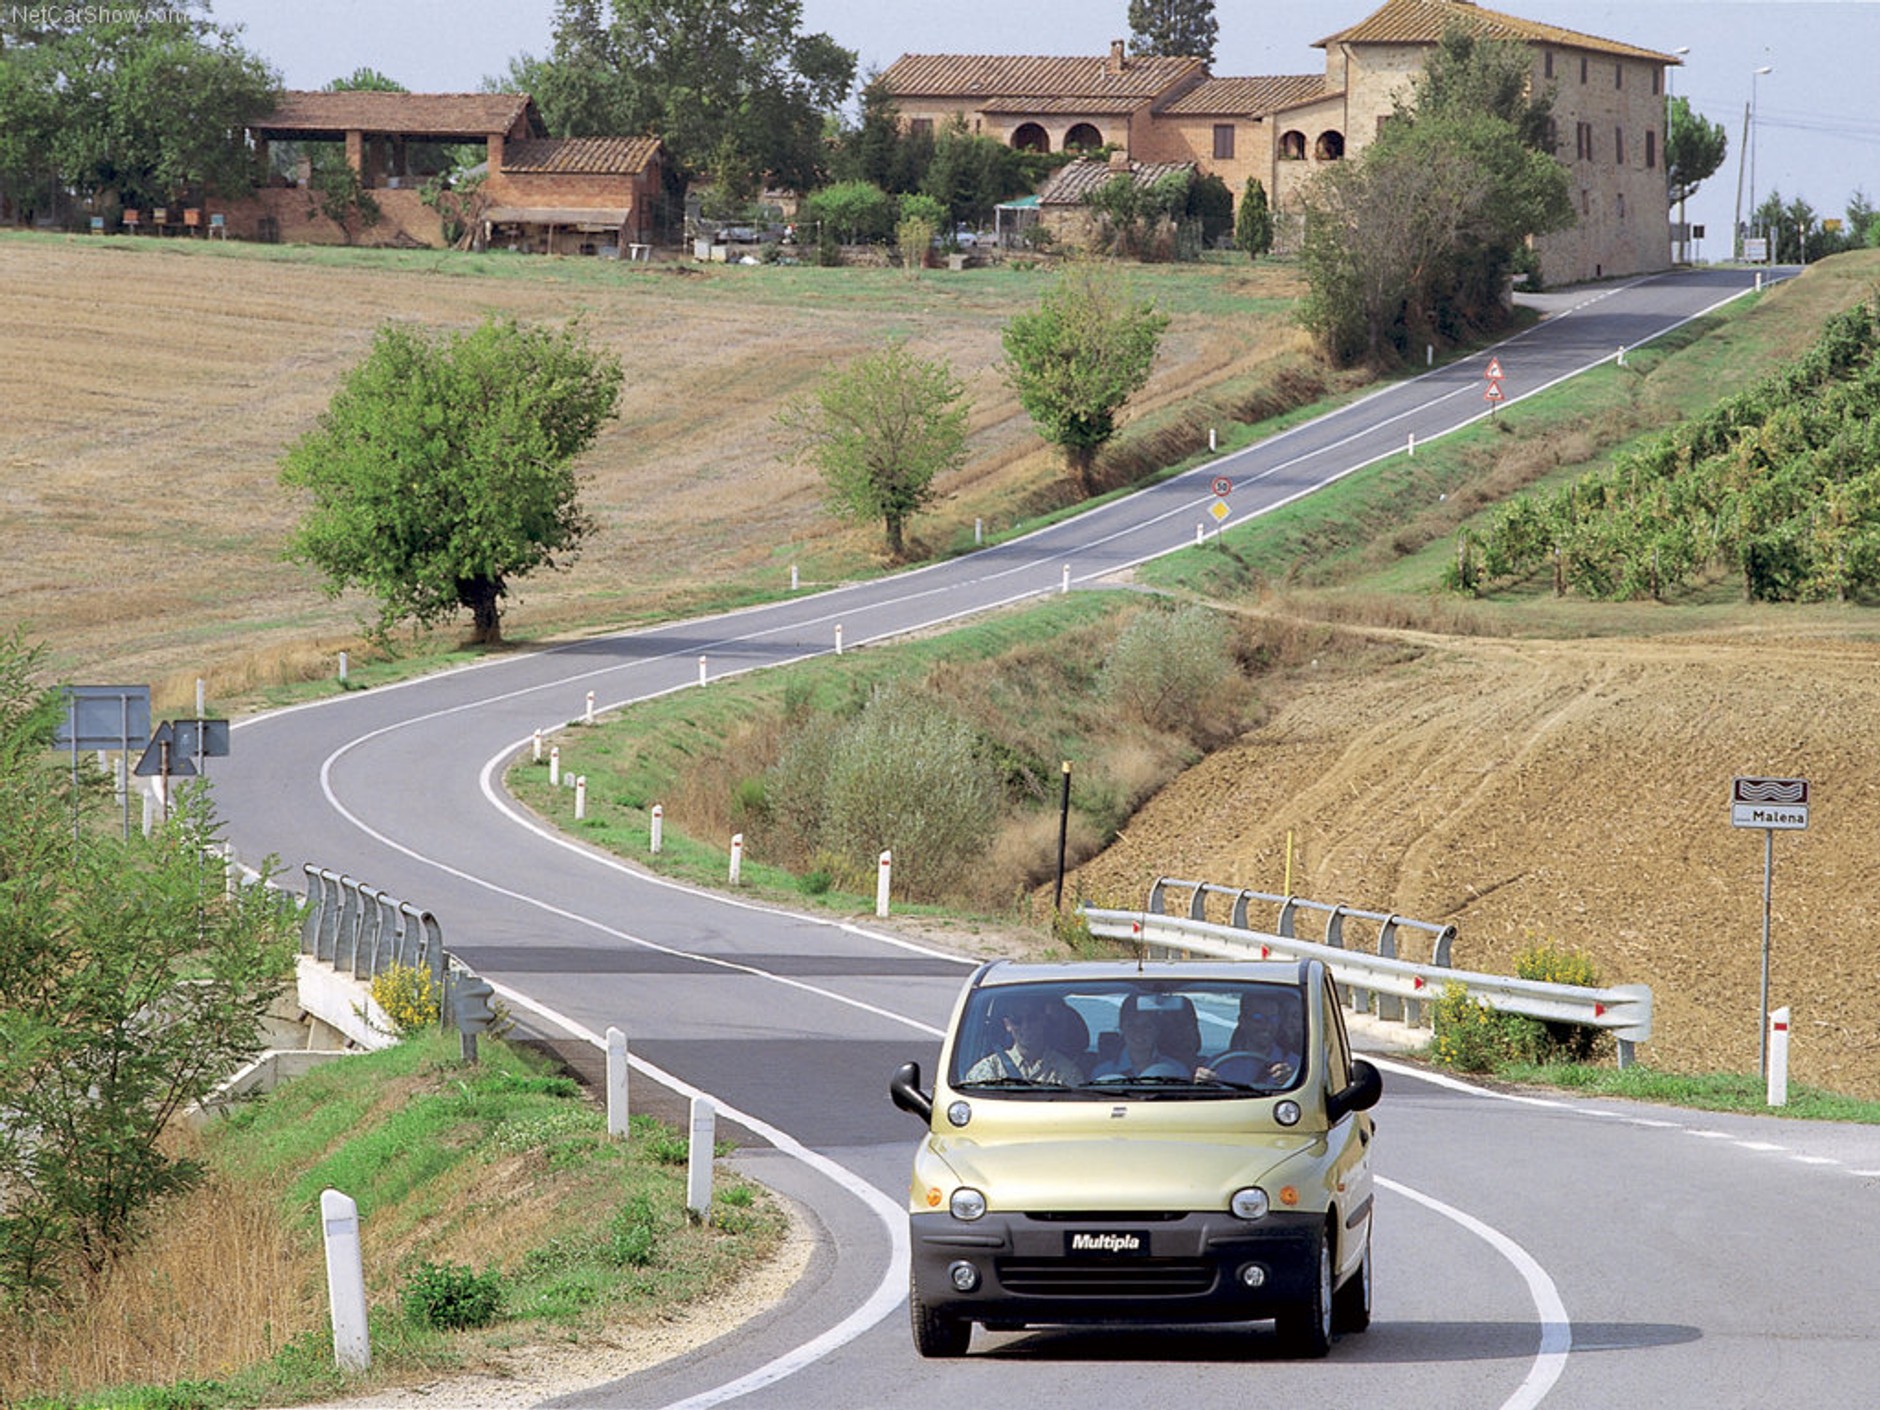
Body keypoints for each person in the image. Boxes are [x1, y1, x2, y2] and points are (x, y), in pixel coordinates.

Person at [964, 994, 1087, 1084]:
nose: (1026, 1026)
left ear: (1043, 1020)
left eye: (1032, 1018)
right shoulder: (989, 1070)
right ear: (1008, 1025)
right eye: (1017, 1020)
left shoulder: (1066, 1071)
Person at [1092, 995, 1187, 1080]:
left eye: (1147, 1026)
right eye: (1131, 1025)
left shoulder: (1177, 1071)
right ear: (1122, 1028)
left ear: (1157, 1030)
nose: (1139, 1032)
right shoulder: (1103, 1073)